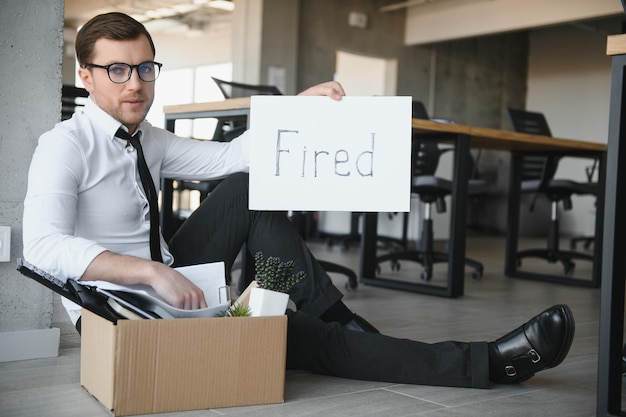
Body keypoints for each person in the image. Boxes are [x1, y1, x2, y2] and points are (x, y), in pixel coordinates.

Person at [23, 11, 575, 389]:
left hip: (171, 282)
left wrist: (298, 108)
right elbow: (43, 247)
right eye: (117, 70)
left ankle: (334, 318)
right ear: (85, 76)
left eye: (145, 68)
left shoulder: (150, 137)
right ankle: (487, 364)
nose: (135, 83)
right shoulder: (64, 146)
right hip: (122, 309)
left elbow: (231, 159)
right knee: (304, 341)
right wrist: (149, 274)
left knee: (250, 189)